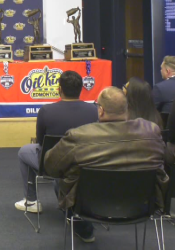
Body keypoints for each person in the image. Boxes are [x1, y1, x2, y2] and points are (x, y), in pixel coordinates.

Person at [44, 87, 168, 244]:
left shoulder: (79, 135)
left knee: (60, 180)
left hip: (89, 207)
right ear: (127, 110)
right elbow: (163, 159)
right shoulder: (152, 131)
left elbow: (51, 167)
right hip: (141, 205)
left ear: (101, 110)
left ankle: (85, 230)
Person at [15, 71, 98, 213]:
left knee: (24, 151)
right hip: (86, 163)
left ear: (59, 89)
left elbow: (41, 142)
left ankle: (31, 201)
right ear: (81, 89)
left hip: (52, 165)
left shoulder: (46, 111)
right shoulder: (94, 110)